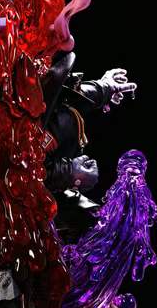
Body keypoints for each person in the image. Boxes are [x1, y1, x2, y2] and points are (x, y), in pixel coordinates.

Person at [41, 51, 137, 244]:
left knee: (102, 227)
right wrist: (69, 173)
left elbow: (63, 91)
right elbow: (12, 169)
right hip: (14, 213)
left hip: (49, 199)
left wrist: (105, 87)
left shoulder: (53, 96)